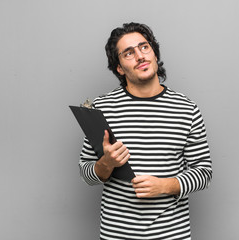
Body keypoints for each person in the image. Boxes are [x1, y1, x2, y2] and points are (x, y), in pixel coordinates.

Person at [79, 22, 212, 240]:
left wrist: (165, 185)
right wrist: (106, 164)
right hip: (116, 235)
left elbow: (204, 173)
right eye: (128, 53)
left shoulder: (187, 109)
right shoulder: (102, 107)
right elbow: (86, 174)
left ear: (154, 53)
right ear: (119, 67)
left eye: (144, 47)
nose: (140, 56)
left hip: (172, 235)